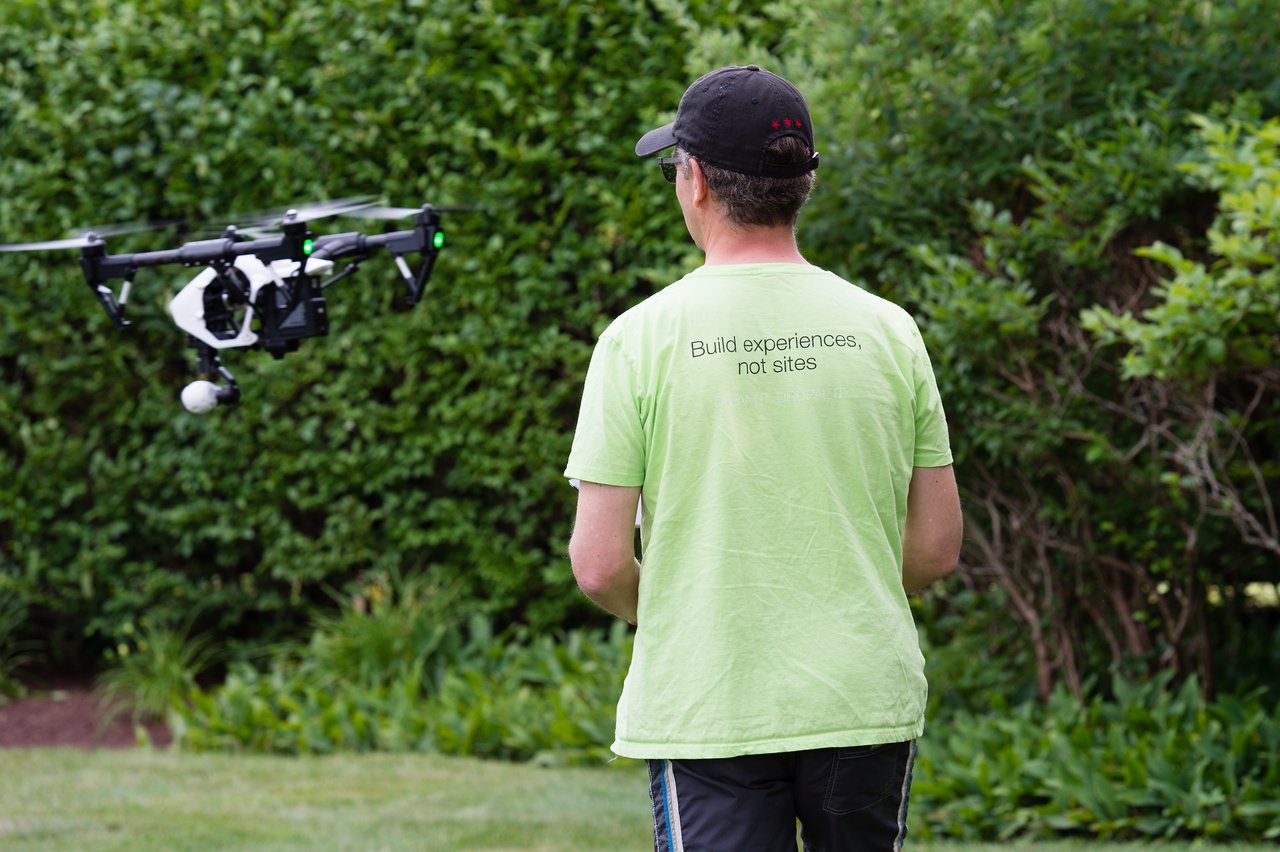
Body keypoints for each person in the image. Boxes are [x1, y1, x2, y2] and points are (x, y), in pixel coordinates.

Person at [564, 64, 962, 852]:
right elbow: (936, 547)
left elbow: (600, 566)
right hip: (860, 696)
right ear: (803, 183)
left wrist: (684, 610)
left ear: (696, 181)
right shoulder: (889, 330)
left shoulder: (637, 340)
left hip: (709, 698)